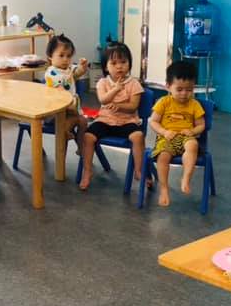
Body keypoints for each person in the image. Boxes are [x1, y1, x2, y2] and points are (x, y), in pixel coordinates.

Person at [79, 42, 145, 192]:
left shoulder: (134, 83)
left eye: (123, 62)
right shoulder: (102, 82)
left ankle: (139, 170)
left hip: (127, 121)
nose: (119, 66)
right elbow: (103, 100)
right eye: (114, 63)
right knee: (88, 136)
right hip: (105, 121)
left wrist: (120, 106)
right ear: (105, 67)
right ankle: (87, 171)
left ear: (129, 63)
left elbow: (133, 106)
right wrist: (115, 89)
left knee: (138, 136)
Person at [149, 61, 206, 204]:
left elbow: (201, 125)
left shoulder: (194, 104)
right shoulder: (163, 102)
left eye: (189, 89)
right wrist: (164, 131)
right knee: (163, 157)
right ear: (168, 86)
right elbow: (153, 121)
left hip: (186, 137)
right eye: (179, 89)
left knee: (193, 146)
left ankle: (186, 178)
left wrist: (192, 131)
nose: (184, 94)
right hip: (167, 138)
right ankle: (164, 189)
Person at [44, 34, 90, 154]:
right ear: (50, 56)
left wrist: (82, 67)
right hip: (56, 112)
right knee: (68, 125)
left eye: (68, 56)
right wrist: (72, 106)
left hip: (70, 110)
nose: (65, 59)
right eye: (61, 55)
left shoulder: (68, 69)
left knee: (84, 122)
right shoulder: (51, 73)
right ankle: (61, 157)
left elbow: (77, 73)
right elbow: (61, 94)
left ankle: (81, 147)